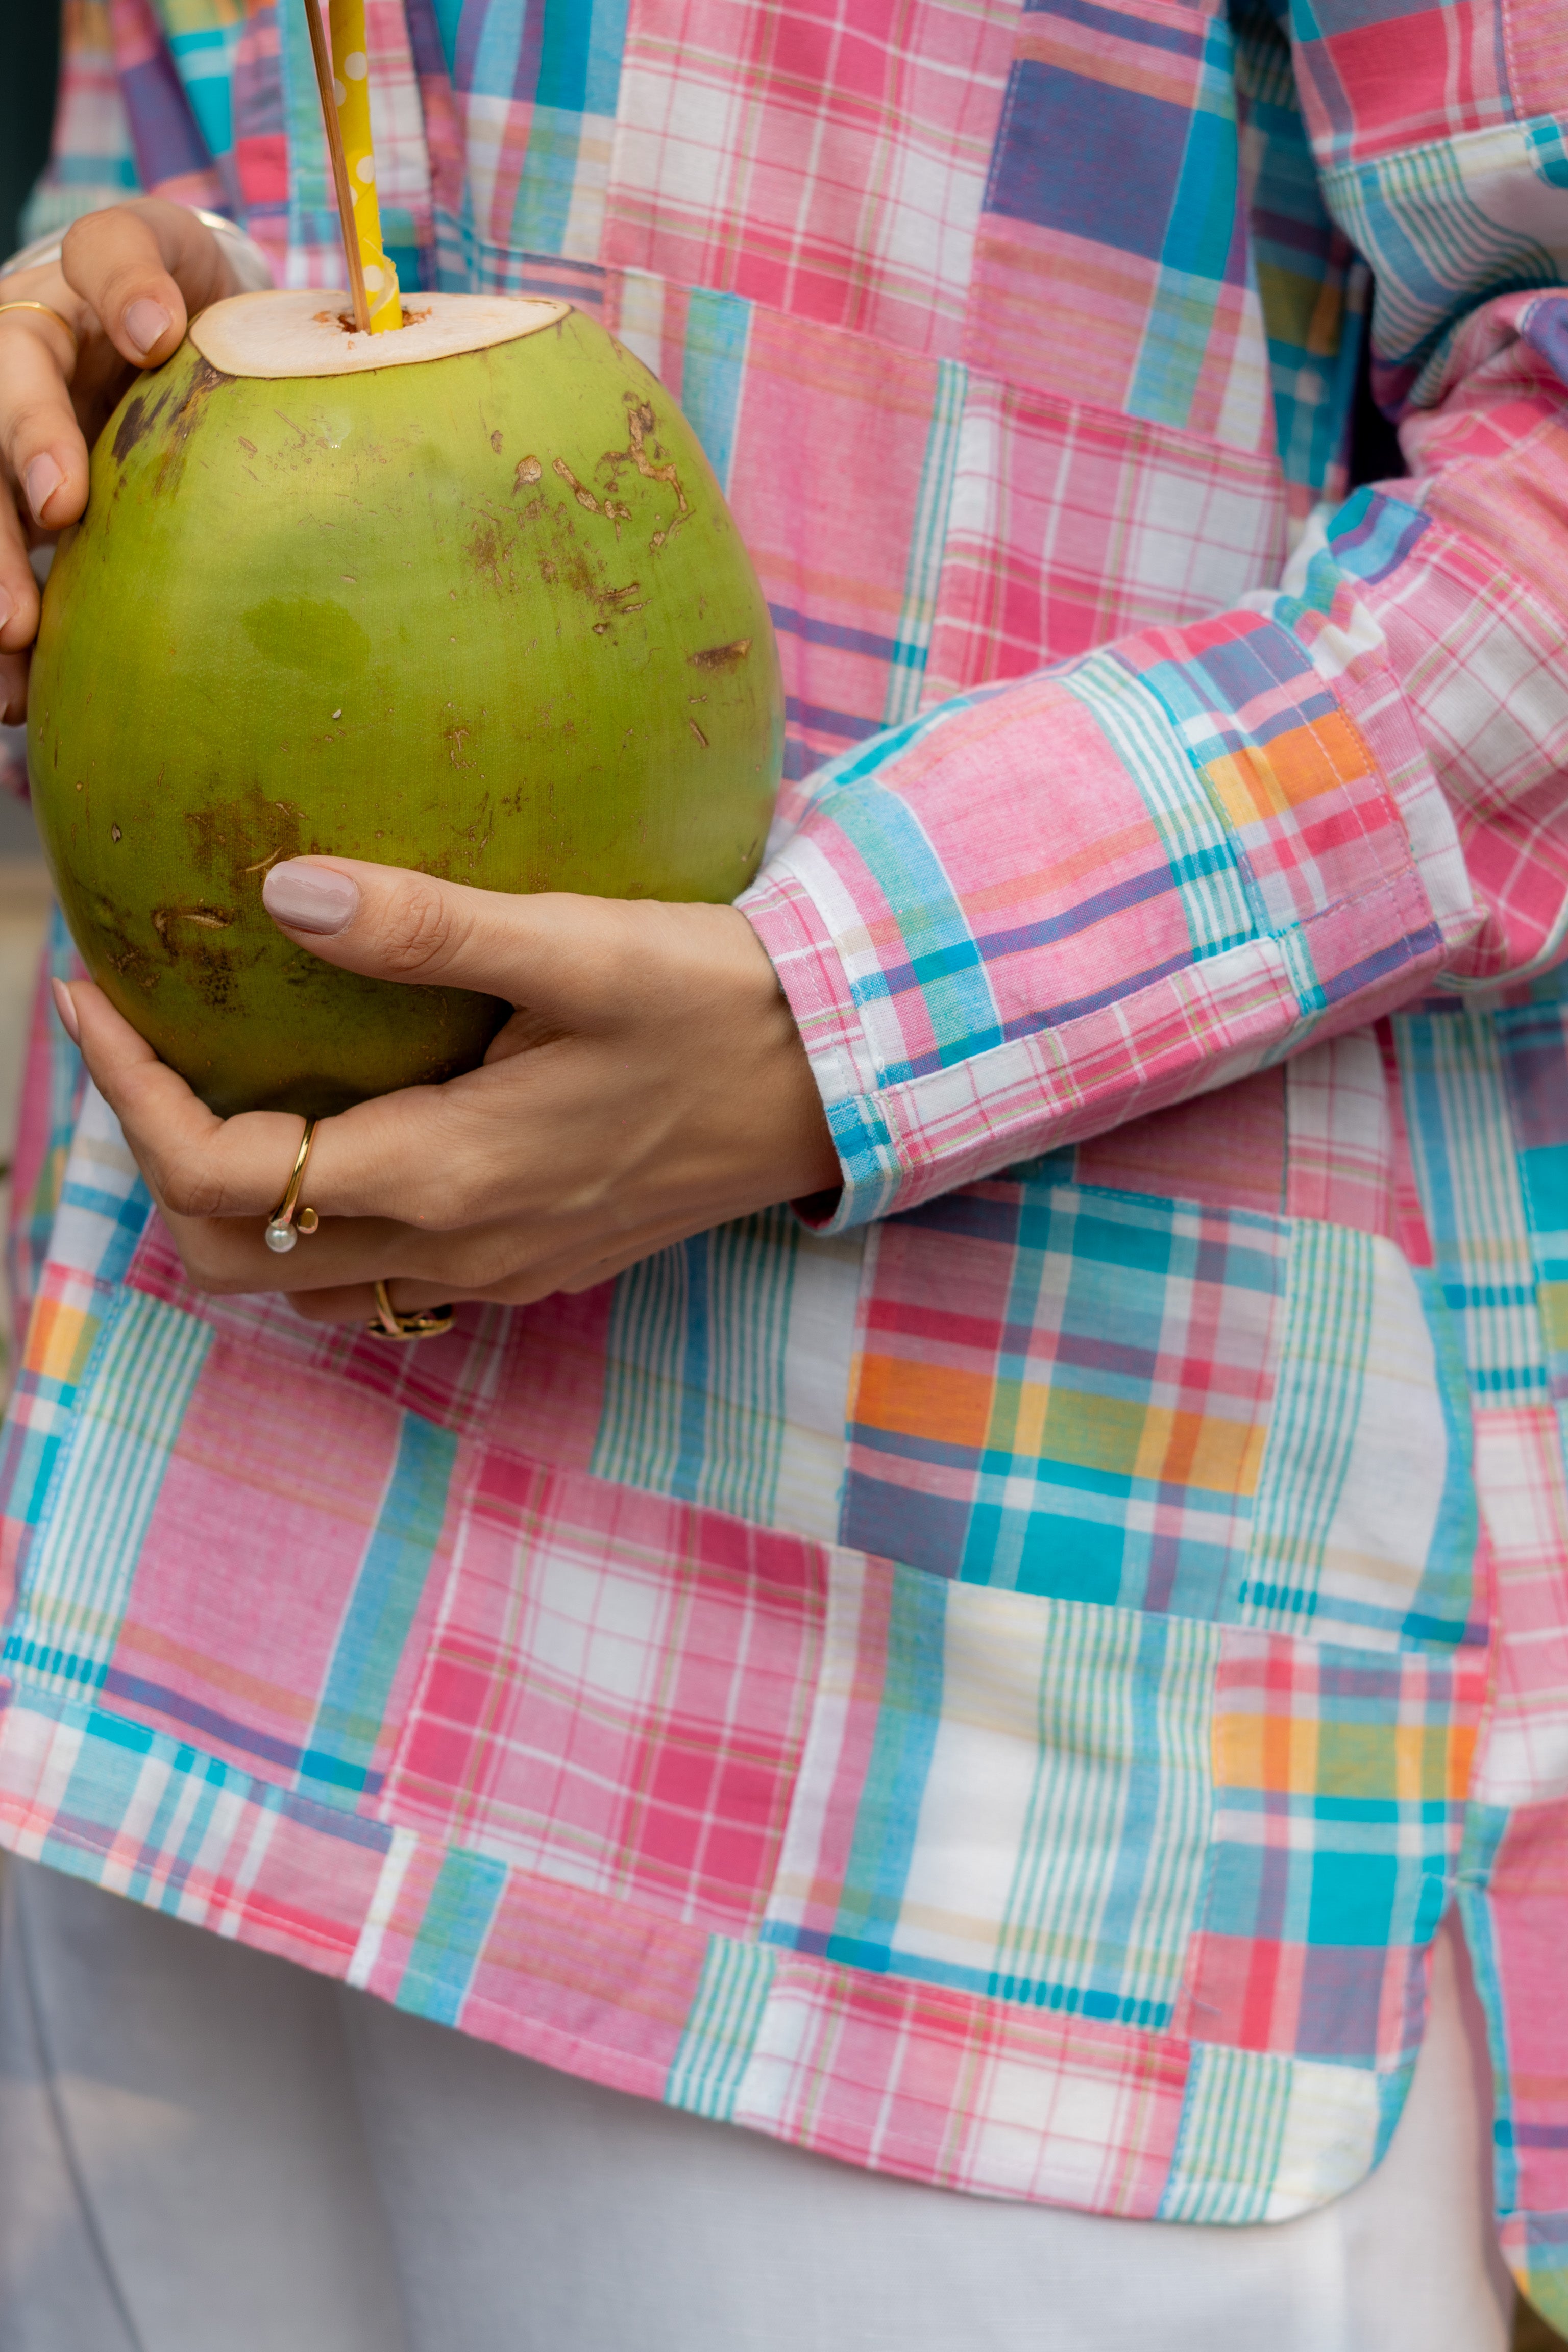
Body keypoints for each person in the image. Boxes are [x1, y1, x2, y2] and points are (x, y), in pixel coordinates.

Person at [0, 1, 1563, 2344]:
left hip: (972, 1761)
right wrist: (102, 341)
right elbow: (234, 175)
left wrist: (847, 1008)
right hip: (190, 1626)